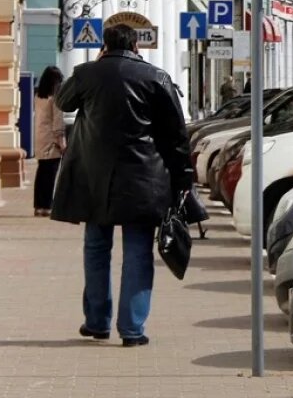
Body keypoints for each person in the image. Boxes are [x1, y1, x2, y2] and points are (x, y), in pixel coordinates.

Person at [51, 24, 191, 347]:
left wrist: (95, 64)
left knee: (96, 249)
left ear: (104, 45)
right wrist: (183, 179)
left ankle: (97, 322)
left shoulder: (87, 74)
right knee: (138, 252)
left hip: (94, 179)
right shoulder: (155, 77)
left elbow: (63, 101)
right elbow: (176, 135)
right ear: (136, 46)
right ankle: (132, 329)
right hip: (143, 180)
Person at [32, 66, 66, 217]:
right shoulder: (56, 99)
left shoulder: (38, 97)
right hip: (52, 142)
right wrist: (62, 143)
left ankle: (38, 206)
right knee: (50, 176)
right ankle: (46, 206)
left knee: (41, 174)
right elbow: (57, 123)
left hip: (40, 139)